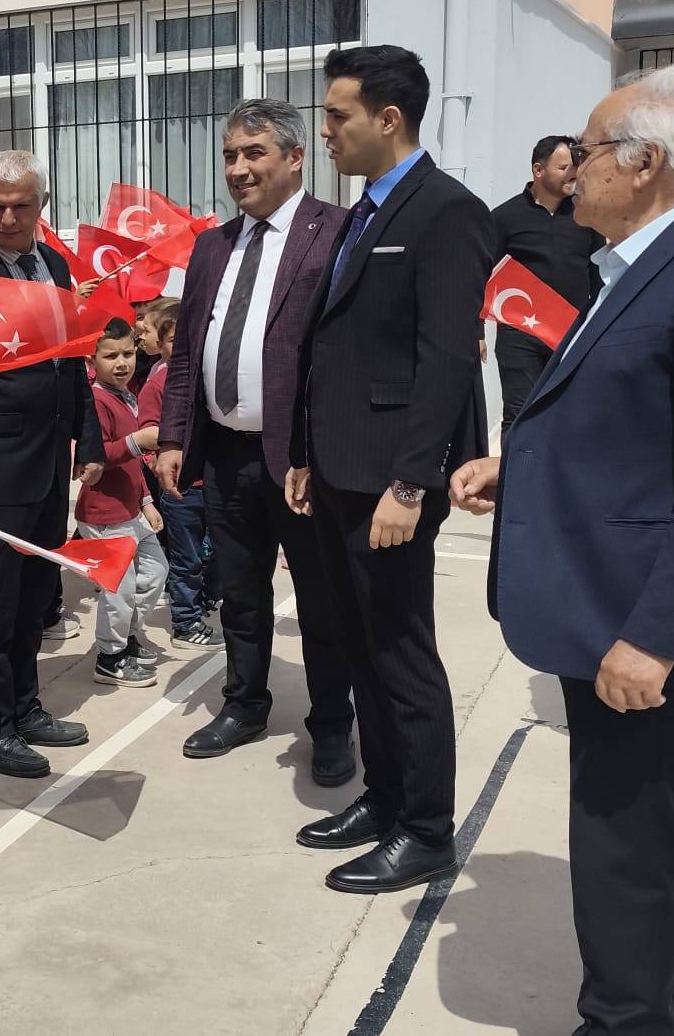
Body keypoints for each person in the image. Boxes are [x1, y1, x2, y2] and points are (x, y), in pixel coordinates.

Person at [450, 60, 674, 1035]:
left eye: (588, 147)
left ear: (645, 162)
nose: (572, 166)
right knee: (651, 855)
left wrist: (655, 636)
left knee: (625, 864)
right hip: (615, 606)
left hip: (653, 629)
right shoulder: (644, 262)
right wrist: (518, 470)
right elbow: (639, 430)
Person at [287, 45, 490, 894]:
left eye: (338, 116)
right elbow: (334, 346)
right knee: (360, 646)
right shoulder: (362, 213)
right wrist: (305, 451)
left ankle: (427, 828)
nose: (326, 132)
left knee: (401, 653)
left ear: (389, 118)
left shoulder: (446, 211)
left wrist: (412, 483)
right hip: (339, 470)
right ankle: (386, 797)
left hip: (391, 484)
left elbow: (447, 359)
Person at [154, 97, 357, 777]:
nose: (238, 169)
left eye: (253, 153)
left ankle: (331, 724)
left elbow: (346, 352)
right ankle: (244, 704)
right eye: (230, 155)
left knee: (323, 600)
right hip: (226, 453)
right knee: (240, 593)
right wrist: (174, 435)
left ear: (296, 158)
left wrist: (319, 452)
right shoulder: (212, 245)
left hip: (302, 462)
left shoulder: (337, 232)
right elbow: (188, 352)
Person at [0, 149, 107, 780]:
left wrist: (87, 441)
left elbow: (72, 362)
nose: (8, 219)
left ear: (43, 205)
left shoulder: (54, 264)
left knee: (38, 595)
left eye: (21, 206)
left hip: (49, 461)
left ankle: (24, 705)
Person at [489, 135, 606, 428]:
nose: (573, 173)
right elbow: (482, 273)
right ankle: (516, 461)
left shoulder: (586, 215)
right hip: (519, 334)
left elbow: (599, 273)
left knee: (568, 416)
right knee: (520, 416)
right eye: (564, 167)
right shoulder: (504, 217)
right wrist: (475, 331)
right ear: (538, 170)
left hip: (571, 332)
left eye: (574, 166)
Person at [77, 319, 167, 688]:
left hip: (131, 510)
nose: (121, 363)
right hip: (104, 514)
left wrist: (146, 500)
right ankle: (110, 656)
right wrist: (137, 441)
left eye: (128, 354)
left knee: (156, 572)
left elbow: (132, 465)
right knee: (119, 589)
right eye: (110, 356)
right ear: (91, 360)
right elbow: (96, 455)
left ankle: (126, 637)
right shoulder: (96, 401)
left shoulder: (125, 394)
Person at [135, 302, 222, 654]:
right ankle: (185, 623)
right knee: (187, 559)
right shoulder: (159, 383)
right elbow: (147, 432)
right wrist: (159, 461)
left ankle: (203, 598)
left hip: (213, 482)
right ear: (160, 343)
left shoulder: (208, 375)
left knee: (215, 552)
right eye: (173, 340)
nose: (183, 345)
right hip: (181, 490)